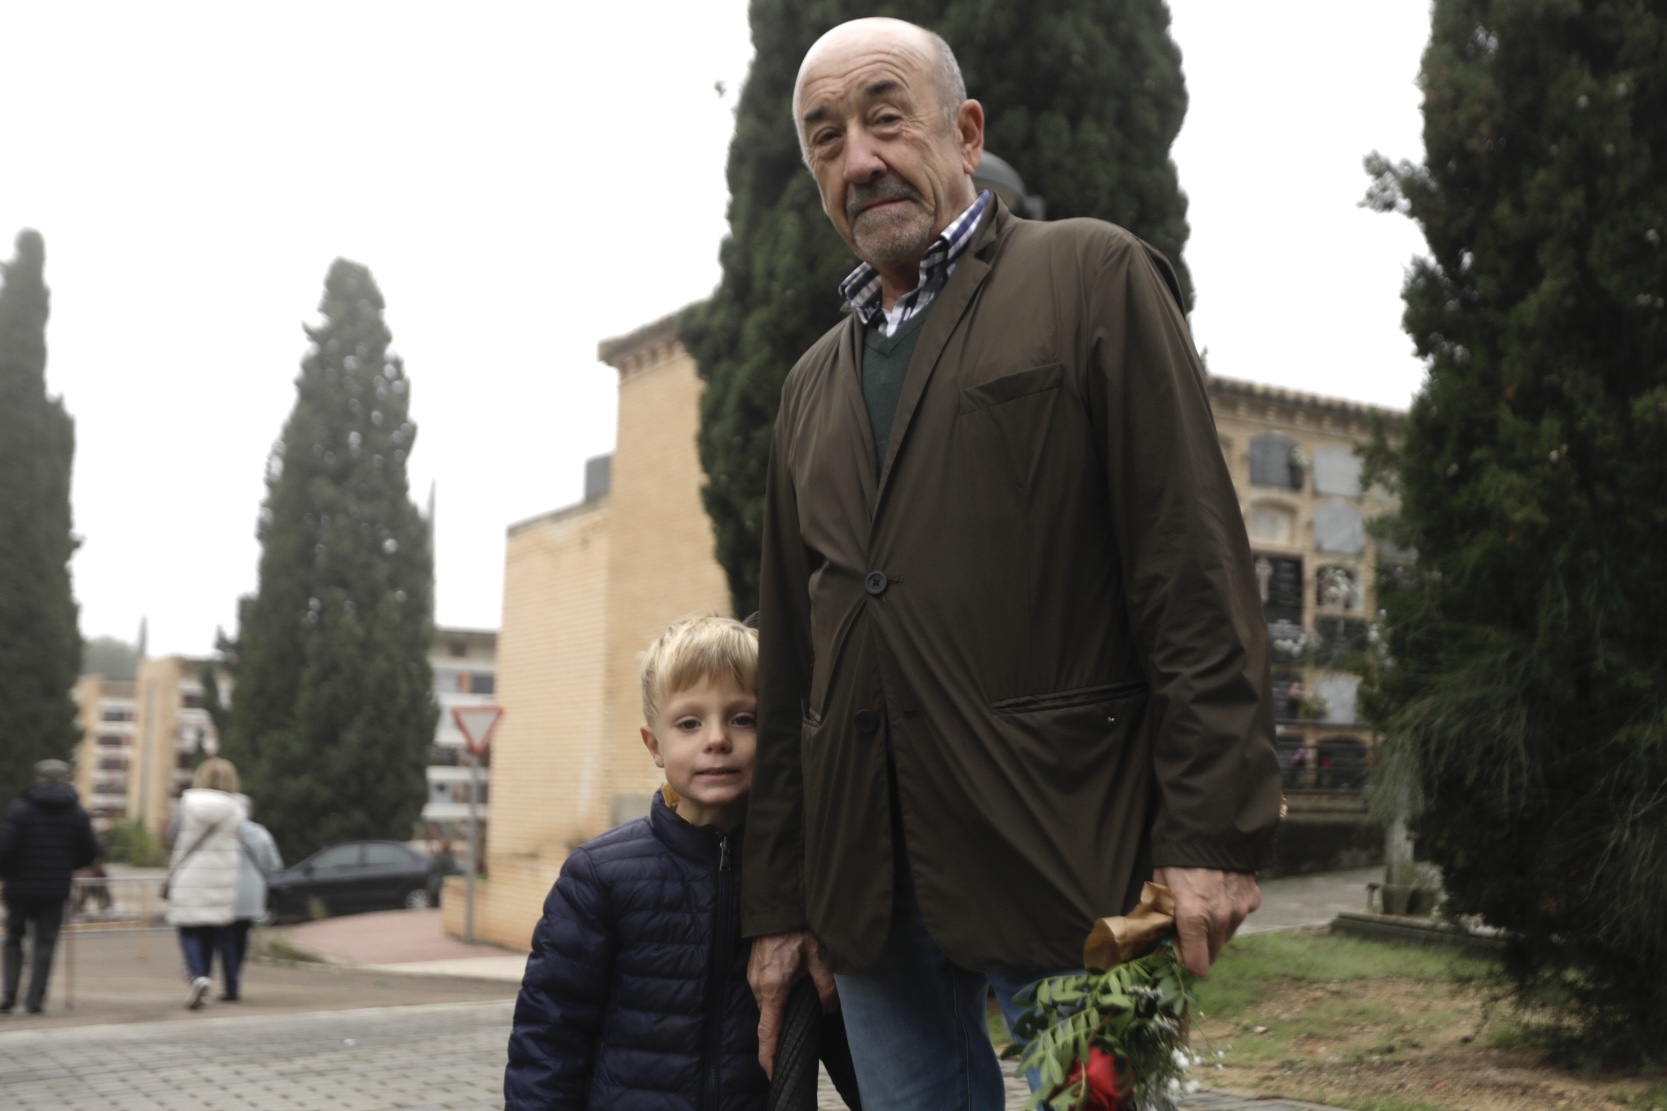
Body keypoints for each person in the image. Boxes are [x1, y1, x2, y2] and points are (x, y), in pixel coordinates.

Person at [744, 18, 1284, 1109]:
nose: (859, 160)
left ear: (963, 129)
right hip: (871, 889)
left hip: (1068, 862)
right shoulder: (807, 384)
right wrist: (779, 901)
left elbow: (1188, 571)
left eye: (885, 118)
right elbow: (791, 665)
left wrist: (1208, 832)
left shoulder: (1091, 277)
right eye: (825, 139)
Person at [503, 616, 773, 1109]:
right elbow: (549, 1038)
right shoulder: (598, 875)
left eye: (743, 718)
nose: (716, 739)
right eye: (690, 723)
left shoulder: (788, 871)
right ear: (655, 745)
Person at [0, 759, 99, 1014]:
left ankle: (10, 994)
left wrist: (7, 873)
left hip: (19, 886)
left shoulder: (20, 808)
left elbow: (6, 848)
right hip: (55, 888)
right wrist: (67, 864)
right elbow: (90, 852)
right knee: (45, 942)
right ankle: (35, 1000)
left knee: (14, 937)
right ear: (67, 778)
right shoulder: (77, 812)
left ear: (39, 777)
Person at [164, 758, 247, 1010]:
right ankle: (204, 981)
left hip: (189, 875)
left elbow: (171, 836)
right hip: (222, 878)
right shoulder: (238, 808)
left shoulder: (187, 804)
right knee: (211, 932)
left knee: (189, 930)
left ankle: (198, 977)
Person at [220, 795, 282, 1002]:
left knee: (225, 938)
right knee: (241, 937)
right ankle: (235, 978)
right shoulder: (260, 834)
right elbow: (273, 865)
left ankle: (231, 984)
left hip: (225, 890)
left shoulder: (221, 833)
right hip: (252, 894)